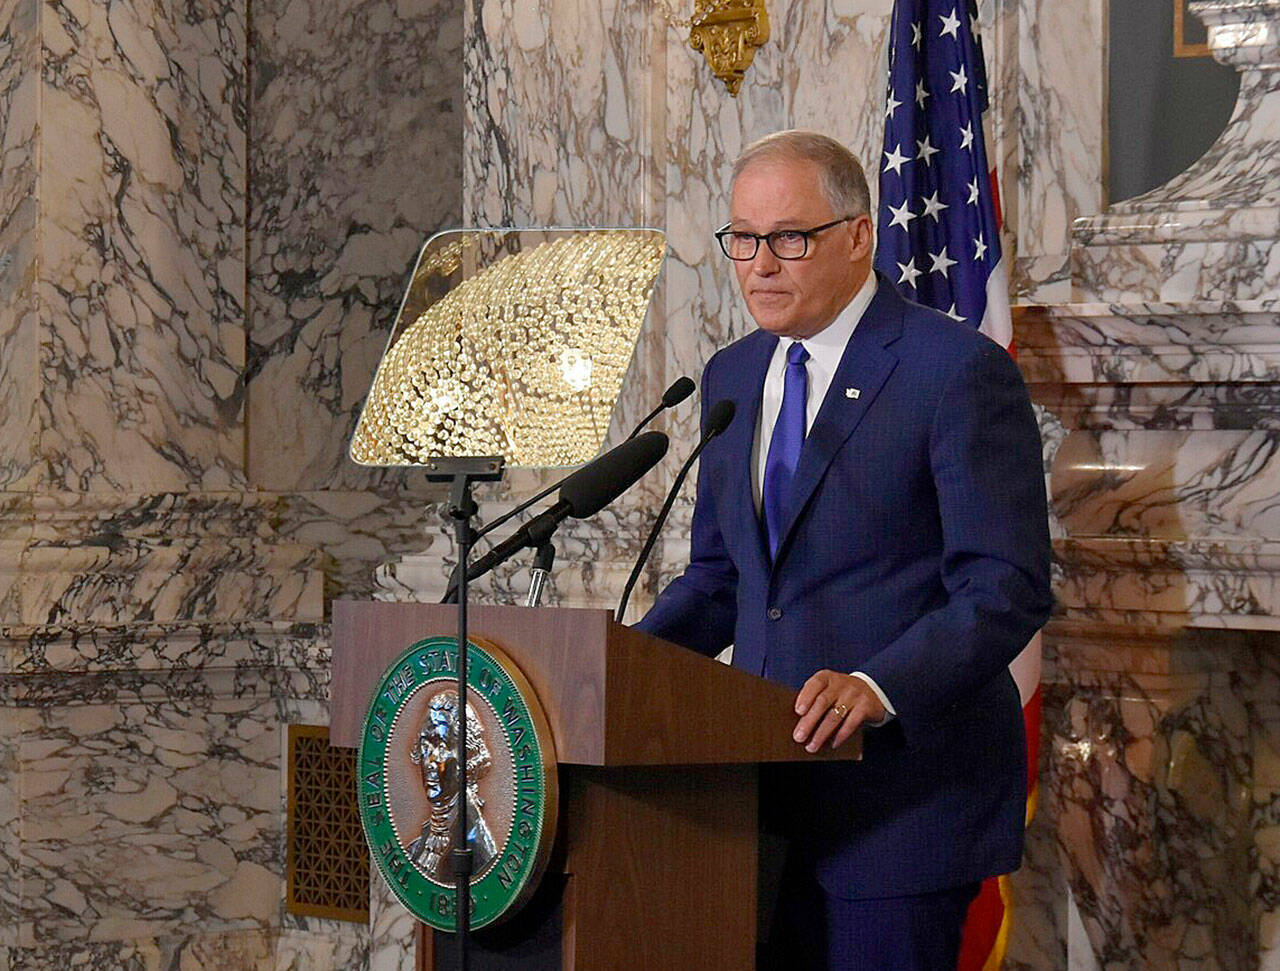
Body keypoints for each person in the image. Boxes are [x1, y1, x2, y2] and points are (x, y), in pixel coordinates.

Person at [635, 130, 1052, 969]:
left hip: (904, 806)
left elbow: (1003, 585)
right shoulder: (731, 377)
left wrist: (877, 683)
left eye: (790, 238)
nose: (761, 264)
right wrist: (615, 664)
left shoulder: (955, 371)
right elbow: (724, 580)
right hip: (757, 803)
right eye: (743, 240)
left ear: (858, 235)